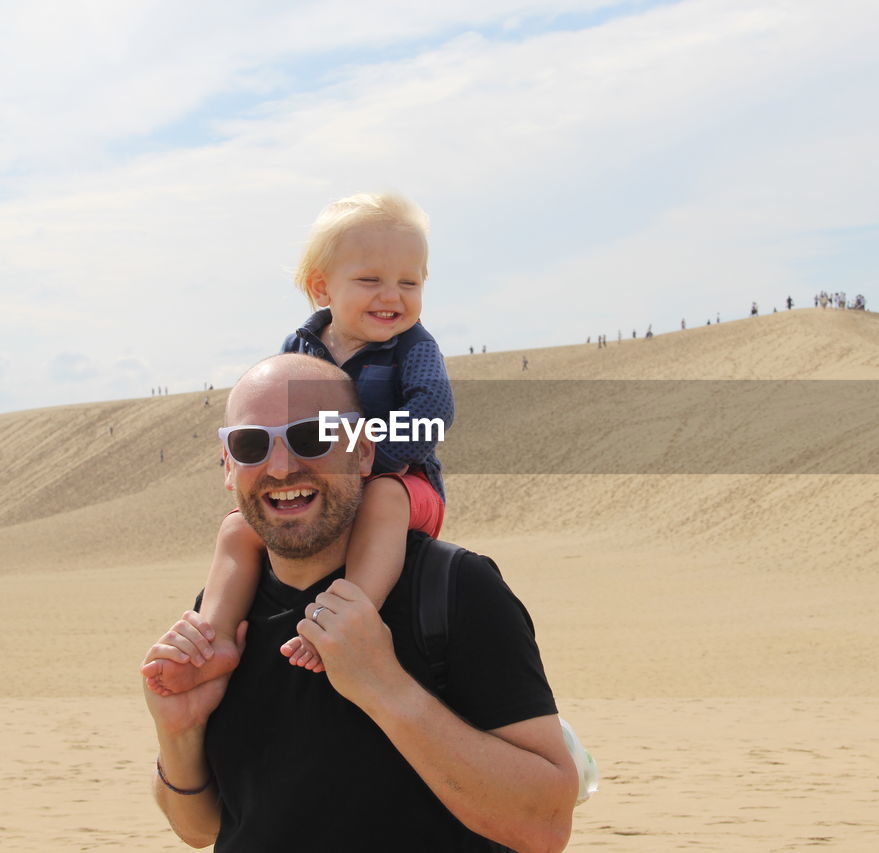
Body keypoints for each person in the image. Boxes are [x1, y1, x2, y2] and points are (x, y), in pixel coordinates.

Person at [141, 354, 576, 850]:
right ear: (228, 467)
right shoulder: (224, 614)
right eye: (251, 444)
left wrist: (384, 687)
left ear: (364, 452)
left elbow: (545, 825)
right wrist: (179, 731)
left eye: (312, 437)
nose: (281, 466)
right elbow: (201, 829)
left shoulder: (453, 587)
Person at [144, 193, 452, 695]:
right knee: (237, 529)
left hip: (405, 483)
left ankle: (348, 617)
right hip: (324, 483)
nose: (392, 296)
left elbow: (434, 416)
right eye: (370, 280)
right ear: (320, 287)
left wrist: (364, 459)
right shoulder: (300, 348)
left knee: (382, 498)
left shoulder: (415, 347)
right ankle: (214, 636)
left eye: (409, 282)